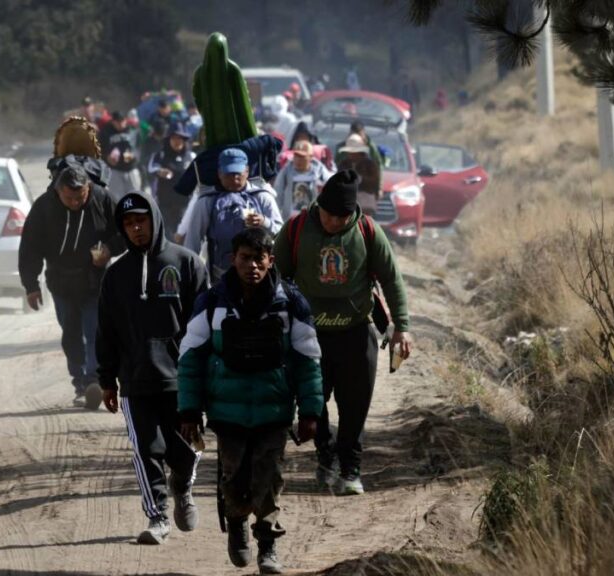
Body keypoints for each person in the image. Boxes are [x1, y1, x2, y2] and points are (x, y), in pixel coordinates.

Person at [177, 226, 323, 574]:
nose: (252, 266)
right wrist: (189, 409)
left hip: (274, 412)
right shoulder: (212, 302)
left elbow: (308, 359)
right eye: (245, 258)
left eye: (259, 259)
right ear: (233, 260)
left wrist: (311, 410)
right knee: (235, 478)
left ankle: (268, 545)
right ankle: (236, 521)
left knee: (269, 480)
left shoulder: (292, 302)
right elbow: (190, 357)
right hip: (227, 415)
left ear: (271, 260)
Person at [273, 170, 412, 496]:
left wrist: (402, 328)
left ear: (353, 213)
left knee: (355, 405)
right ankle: (326, 456)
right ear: (319, 205)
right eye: (330, 214)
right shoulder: (296, 229)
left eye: (342, 216)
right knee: (313, 401)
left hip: (356, 331)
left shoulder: (367, 231)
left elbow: (392, 280)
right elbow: (275, 276)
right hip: (308, 334)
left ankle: (351, 467)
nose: (335, 221)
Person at [97, 191, 208, 545]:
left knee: (187, 450)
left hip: (182, 379)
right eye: (128, 223)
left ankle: (183, 488)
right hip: (134, 379)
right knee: (146, 450)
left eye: (141, 220)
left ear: (154, 220)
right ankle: (157, 516)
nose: (136, 228)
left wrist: (207, 375)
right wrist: (106, 380)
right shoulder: (115, 275)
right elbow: (106, 329)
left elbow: (204, 324)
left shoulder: (189, 264)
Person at [18, 165, 123, 409]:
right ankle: (80, 382)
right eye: (69, 197)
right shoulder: (44, 206)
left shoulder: (102, 198)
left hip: (94, 279)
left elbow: (123, 229)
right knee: (71, 332)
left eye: (80, 196)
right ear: (58, 191)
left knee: (95, 329)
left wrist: (109, 249)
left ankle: (93, 381)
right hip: (60, 281)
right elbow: (30, 248)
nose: (75, 202)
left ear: (89, 188)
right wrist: (31, 285)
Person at [181, 148, 283, 282]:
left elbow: (281, 234)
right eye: (228, 174)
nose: (234, 178)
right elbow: (193, 240)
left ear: (247, 171)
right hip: (221, 275)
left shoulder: (263, 197)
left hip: (258, 274)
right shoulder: (207, 201)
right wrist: (188, 274)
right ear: (219, 173)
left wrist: (264, 222)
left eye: (237, 173)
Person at [147, 122, 195, 241]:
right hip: (165, 203)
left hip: (185, 204)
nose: (177, 141)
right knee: (166, 237)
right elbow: (151, 167)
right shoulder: (160, 155)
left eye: (180, 138)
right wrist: (159, 171)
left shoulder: (191, 156)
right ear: (168, 139)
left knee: (183, 237)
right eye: (174, 138)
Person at [273, 141, 333, 220]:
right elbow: (278, 193)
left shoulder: (320, 172)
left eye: (302, 157)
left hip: (313, 220)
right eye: (296, 155)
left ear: (311, 157)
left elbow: (331, 190)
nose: (298, 160)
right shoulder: (286, 171)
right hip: (291, 220)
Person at [98, 109, 142, 202]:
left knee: (135, 197)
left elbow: (140, 147)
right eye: (118, 121)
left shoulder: (132, 130)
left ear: (126, 120)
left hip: (131, 169)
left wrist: (135, 155)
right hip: (115, 170)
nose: (121, 124)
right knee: (117, 199)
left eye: (122, 121)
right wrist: (107, 158)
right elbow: (99, 150)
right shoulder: (105, 132)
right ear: (113, 121)